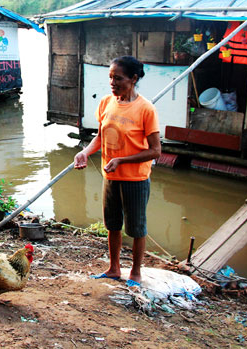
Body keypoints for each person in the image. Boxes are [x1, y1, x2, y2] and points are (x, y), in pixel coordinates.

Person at [74, 56, 161, 287]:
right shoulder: (106, 102)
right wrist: (85, 152)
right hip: (110, 176)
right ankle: (113, 268)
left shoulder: (145, 109)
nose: (113, 83)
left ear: (133, 79)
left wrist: (122, 160)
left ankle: (135, 272)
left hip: (136, 179)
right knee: (112, 224)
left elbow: (155, 151)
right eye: (111, 78)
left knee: (136, 228)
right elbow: (101, 138)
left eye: (118, 78)